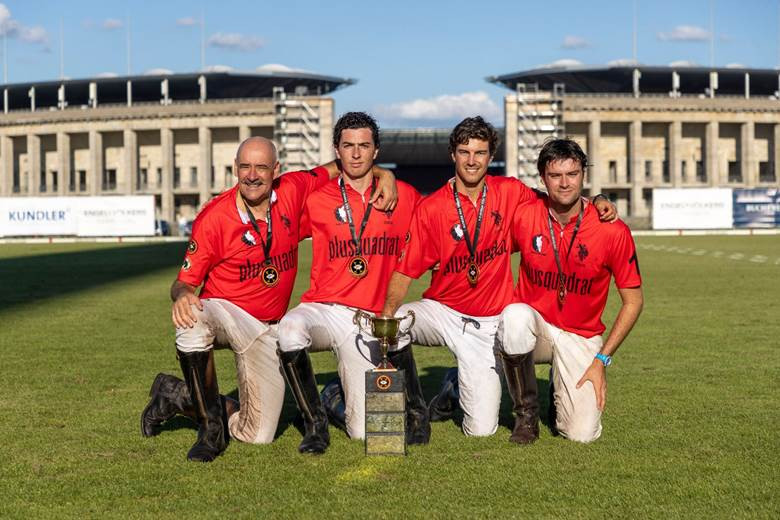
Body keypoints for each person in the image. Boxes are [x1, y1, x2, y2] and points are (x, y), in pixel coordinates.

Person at [140, 136, 397, 462]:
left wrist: (384, 174)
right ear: (235, 168)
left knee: (257, 435)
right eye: (245, 167)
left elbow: (344, 165)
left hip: (268, 329)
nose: (252, 175)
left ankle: (175, 395)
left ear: (276, 170)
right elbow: (183, 283)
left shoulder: (294, 188)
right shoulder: (214, 217)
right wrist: (182, 296)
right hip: (227, 313)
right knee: (192, 320)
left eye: (261, 167)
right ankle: (210, 431)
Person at [381, 117, 617, 439]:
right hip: (443, 311)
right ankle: (414, 414)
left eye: (480, 152)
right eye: (464, 152)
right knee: (395, 322)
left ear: (490, 157)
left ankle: (453, 384)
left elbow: (560, 195)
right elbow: (404, 270)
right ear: (453, 154)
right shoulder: (431, 208)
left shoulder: (510, 191)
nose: (472, 160)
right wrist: (386, 314)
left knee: (480, 430)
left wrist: (599, 199)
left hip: (491, 324)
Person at [277, 112, 428, 455]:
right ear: (337, 150)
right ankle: (314, 425)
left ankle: (332, 393)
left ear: (376, 151)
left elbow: (436, 229)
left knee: (363, 432)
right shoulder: (316, 198)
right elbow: (277, 224)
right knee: (289, 329)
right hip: (324, 308)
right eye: (348, 146)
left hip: (368, 320)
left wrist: (386, 176)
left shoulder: (404, 196)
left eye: (364, 146)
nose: (356, 154)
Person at [497, 138, 643, 444]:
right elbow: (487, 251)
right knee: (513, 317)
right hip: (536, 328)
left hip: (581, 335)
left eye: (572, 174)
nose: (564, 183)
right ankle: (526, 416)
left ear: (584, 175)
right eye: (555, 175)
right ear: (542, 178)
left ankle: (559, 386)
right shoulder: (524, 216)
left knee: (581, 435)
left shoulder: (612, 229)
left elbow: (634, 302)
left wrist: (602, 360)